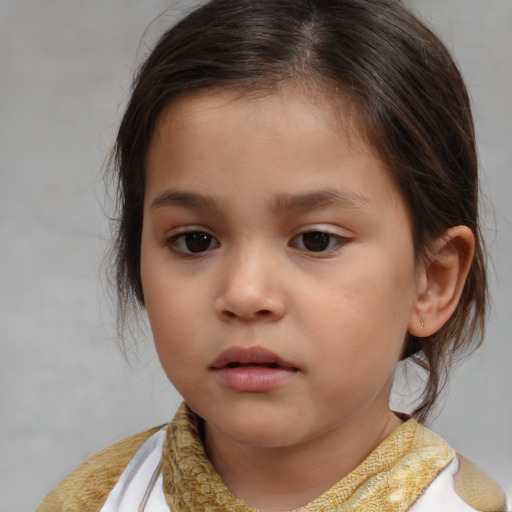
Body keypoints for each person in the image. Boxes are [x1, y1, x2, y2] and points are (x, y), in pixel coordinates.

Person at [36, 0, 507, 510]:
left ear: (432, 281)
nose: (245, 294)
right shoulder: (92, 499)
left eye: (316, 240)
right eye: (195, 240)